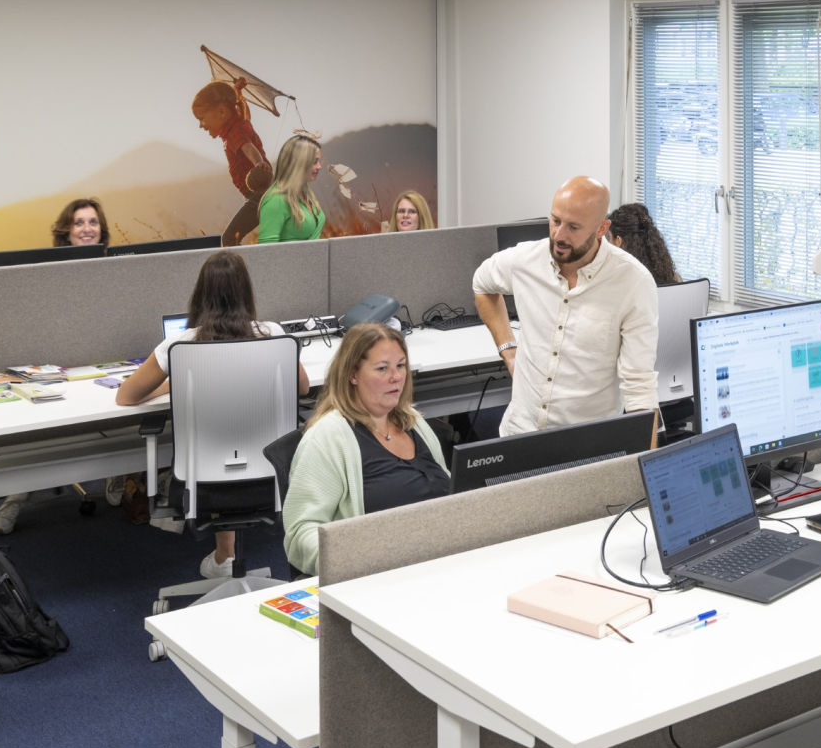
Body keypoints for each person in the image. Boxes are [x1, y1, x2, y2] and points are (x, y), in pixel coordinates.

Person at [115, 250, 309, 579]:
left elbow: (126, 396)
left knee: (220, 442)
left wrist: (174, 385)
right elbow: (302, 388)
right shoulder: (274, 335)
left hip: (200, 481)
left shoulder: (180, 345)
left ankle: (224, 556)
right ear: (247, 293)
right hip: (270, 473)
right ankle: (225, 556)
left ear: (200, 295)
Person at [472, 176, 658, 436]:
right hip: (519, 433)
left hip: (586, 445)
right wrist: (509, 350)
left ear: (601, 229)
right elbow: (482, 284)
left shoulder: (632, 283)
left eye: (573, 227)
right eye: (555, 220)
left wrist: (644, 466)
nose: (559, 235)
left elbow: (640, 388)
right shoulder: (525, 260)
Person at [0, 198, 118, 531]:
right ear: (67, 231)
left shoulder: (115, 270)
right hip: (51, 367)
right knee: (34, 425)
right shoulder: (46, 271)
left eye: (93, 222)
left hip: (97, 364)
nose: (87, 229)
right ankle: (14, 498)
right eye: (79, 223)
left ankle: (120, 475)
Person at [283, 322, 450, 576]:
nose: (396, 377)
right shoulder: (328, 437)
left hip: (442, 563)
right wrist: (357, 558)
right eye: (382, 368)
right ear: (353, 374)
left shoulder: (414, 422)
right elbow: (301, 533)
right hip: (378, 577)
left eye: (401, 365)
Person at [193, 79, 272, 246]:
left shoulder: (234, 133)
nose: (200, 125)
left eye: (202, 118)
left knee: (229, 239)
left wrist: (259, 163)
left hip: (259, 198)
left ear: (221, 113)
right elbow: (245, 115)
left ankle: (240, 270)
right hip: (262, 196)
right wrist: (237, 92)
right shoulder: (240, 124)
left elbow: (249, 148)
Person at [256, 134, 325, 244]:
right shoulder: (276, 200)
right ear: (299, 163)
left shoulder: (306, 193)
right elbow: (266, 253)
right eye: (314, 161)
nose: (319, 166)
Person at [606, 202, 680, 286]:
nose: (609, 243)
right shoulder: (671, 276)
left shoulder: (618, 282)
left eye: (610, 237)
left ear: (619, 241)